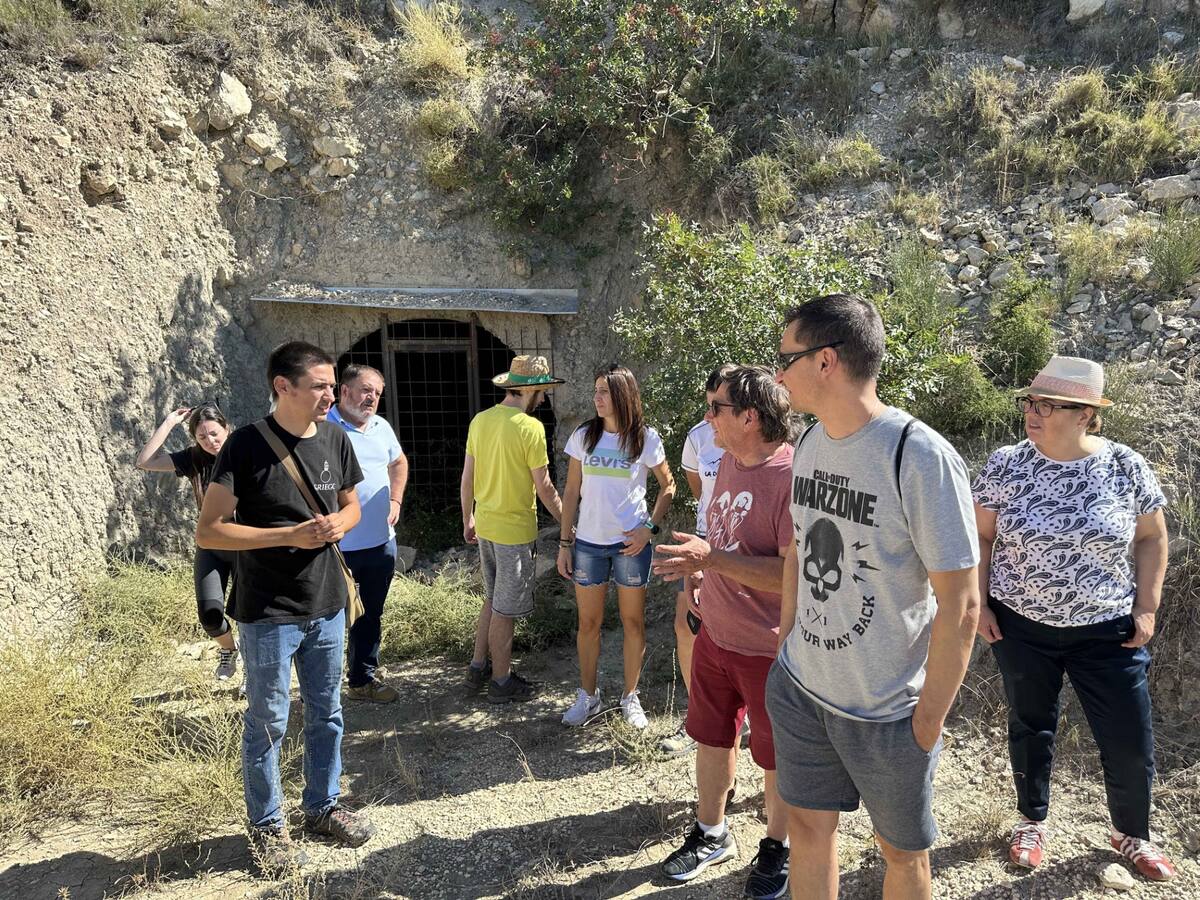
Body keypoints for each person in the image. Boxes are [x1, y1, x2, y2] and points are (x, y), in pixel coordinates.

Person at [769, 294, 980, 900]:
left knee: (902, 856)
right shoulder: (808, 443)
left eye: (786, 357)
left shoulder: (918, 456)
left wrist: (927, 722)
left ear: (826, 360)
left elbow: (961, 605)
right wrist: (785, 642)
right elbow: (800, 550)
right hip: (804, 689)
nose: (778, 373)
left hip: (887, 712)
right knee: (808, 828)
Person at [972, 356, 1176, 882]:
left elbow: (1152, 537)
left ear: (1086, 414)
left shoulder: (1125, 466)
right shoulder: (1007, 464)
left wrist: (1147, 607)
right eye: (1030, 402)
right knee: (1030, 725)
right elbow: (981, 537)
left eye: (1046, 404)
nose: (1031, 412)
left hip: (1108, 633)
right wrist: (980, 603)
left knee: (1129, 738)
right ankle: (1031, 820)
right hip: (1021, 627)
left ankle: (1131, 833)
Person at [196, 341, 373, 873]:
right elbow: (211, 529)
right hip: (266, 611)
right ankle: (267, 829)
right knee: (268, 720)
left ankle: (322, 808)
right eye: (320, 385)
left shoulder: (337, 438)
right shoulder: (245, 447)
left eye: (331, 385)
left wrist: (341, 525)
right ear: (283, 387)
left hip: (327, 604)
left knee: (329, 713)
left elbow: (352, 504)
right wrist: (289, 535)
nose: (330, 394)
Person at [653, 366, 795, 899]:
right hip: (716, 633)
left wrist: (712, 558)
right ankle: (712, 833)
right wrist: (698, 571)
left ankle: (777, 848)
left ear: (750, 416)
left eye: (716, 407)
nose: (706, 417)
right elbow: (721, 534)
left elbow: (791, 575)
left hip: (769, 646)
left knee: (775, 755)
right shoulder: (730, 462)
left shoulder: (791, 478)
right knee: (711, 739)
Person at [557, 364, 675, 730]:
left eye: (604, 392)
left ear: (623, 395)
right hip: (589, 545)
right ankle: (588, 697)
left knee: (632, 623)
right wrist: (565, 543)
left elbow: (668, 486)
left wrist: (648, 529)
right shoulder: (584, 436)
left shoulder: (645, 438)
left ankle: (630, 697)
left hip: (630, 547)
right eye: (595, 391)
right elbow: (572, 491)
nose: (597, 398)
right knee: (588, 624)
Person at [461, 356, 564, 703]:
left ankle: (477, 667)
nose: (546, 399)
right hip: (514, 531)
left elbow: (467, 477)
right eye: (543, 392)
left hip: (486, 525)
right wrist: (568, 522)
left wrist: (468, 518)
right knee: (505, 609)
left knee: (492, 598)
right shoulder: (529, 428)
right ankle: (501, 681)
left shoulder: (481, 420)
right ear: (529, 390)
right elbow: (545, 486)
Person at [660, 364, 733, 758]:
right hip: (706, 539)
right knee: (688, 622)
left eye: (717, 406)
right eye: (707, 406)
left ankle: (751, 716)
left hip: (744, 542)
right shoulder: (698, 438)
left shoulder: (760, 439)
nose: (710, 415)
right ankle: (698, 717)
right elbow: (698, 488)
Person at [136, 402, 238, 681]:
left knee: (251, 616)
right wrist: (169, 423)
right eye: (202, 437)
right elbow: (144, 461)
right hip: (212, 546)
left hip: (246, 545)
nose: (211, 441)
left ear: (226, 428)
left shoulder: (244, 451)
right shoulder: (194, 459)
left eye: (215, 433)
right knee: (210, 615)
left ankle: (255, 673)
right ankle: (229, 650)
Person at [328, 364, 409, 704]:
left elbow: (399, 462)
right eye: (365, 390)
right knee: (326, 620)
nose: (372, 398)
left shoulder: (381, 426)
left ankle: (362, 680)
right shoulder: (321, 428)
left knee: (370, 614)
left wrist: (395, 498)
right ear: (344, 391)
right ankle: (322, 690)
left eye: (376, 392)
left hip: (380, 543)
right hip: (335, 547)